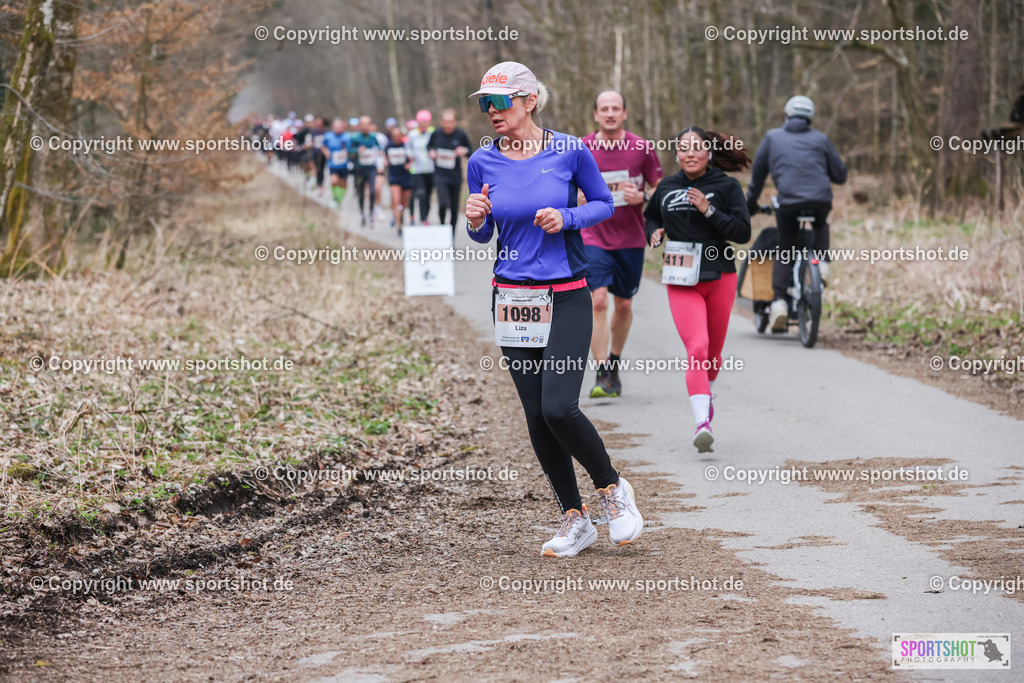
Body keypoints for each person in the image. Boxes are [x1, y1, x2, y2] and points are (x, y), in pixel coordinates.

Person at [465, 61, 644, 558]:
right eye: (485, 104)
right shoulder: (482, 161)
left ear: (529, 100)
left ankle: (613, 491)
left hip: (565, 293)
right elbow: (482, 233)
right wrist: (475, 220)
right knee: (535, 415)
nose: (491, 112)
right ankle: (574, 518)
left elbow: (604, 204)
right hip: (512, 298)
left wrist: (566, 217)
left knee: (558, 406)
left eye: (499, 102)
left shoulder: (569, 150)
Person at [644, 126, 751, 453]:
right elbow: (649, 218)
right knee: (698, 348)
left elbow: (742, 232)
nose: (690, 153)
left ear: (708, 153)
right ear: (676, 154)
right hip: (681, 277)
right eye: (684, 148)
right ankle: (702, 422)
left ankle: (706, 396)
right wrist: (655, 232)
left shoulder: (726, 186)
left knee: (714, 355)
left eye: (697, 148)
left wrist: (709, 210)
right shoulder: (666, 187)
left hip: (719, 275)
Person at [582, 90, 664, 398]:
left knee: (624, 303)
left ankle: (613, 361)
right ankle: (601, 373)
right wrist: (576, 199)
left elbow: (660, 187)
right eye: (604, 108)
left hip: (630, 237)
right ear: (596, 115)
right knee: (598, 300)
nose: (610, 113)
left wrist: (643, 197)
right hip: (593, 235)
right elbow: (567, 188)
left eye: (616, 108)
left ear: (624, 114)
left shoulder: (641, 147)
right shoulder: (584, 147)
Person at [745, 95, 847, 332]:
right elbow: (840, 176)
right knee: (820, 225)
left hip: (788, 203)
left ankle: (779, 302)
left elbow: (757, 177)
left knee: (786, 245)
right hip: (820, 200)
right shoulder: (821, 139)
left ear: (787, 115)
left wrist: (750, 203)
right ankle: (820, 263)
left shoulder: (772, 138)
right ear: (810, 118)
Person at [428, 109, 472, 238]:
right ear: (442, 122)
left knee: (454, 208)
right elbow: (429, 146)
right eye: (445, 122)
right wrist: (431, 152)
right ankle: (442, 227)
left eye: (450, 122)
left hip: (455, 176)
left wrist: (464, 150)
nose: (448, 125)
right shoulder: (436, 134)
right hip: (440, 175)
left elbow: (470, 151)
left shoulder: (461, 135)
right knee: (442, 203)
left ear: (455, 122)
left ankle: (450, 237)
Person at [348, 115, 381, 226]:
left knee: (372, 191)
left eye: (367, 124)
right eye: (363, 124)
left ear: (370, 125)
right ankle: (362, 213)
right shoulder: (355, 138)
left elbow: (380, 149)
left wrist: (381, 155)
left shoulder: (373, 137)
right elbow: (348, 151)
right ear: (360, 126)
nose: (365, 127)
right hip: (359, 169)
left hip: (371, 168)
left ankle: (371, 213)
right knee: (361, 193)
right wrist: (357, 150)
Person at [407, 110, 435, 225]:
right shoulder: (412, 134)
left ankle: (426, 216)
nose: (424, 124)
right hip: (417, 170)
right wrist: (410, 155)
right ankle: (422, 219)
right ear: (418, 122)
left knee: (428, 195)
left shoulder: (433, 133)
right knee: (421, 194)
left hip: (431, 169)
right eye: (422, 121)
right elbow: (408, 148)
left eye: (426, 121)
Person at [386, 126, 413, 235]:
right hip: (394, 176)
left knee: (404, 204)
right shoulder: (388, 146)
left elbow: (412, 158)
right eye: (394, 136)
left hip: (406, 176)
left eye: (398, 135)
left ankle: (398, 216)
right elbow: (383, 157)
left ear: (402, 136)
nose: (396, 138)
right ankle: (399, 226)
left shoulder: (406, 146)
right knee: (396, 200)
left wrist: (409, 164)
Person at [321, 118, 350, 207]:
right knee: (333, 181)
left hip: (344, 164)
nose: (338, 129)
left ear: (343, 127)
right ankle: (335, 198)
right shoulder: (328, 136)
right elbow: (323, 146)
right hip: (333, 163)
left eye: (339, 127)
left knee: (343, 184)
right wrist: (326, 152)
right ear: (333, 128)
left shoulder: (347, 137)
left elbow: (351, 148)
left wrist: (348, 152)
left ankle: (339, 199)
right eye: (336, 127)